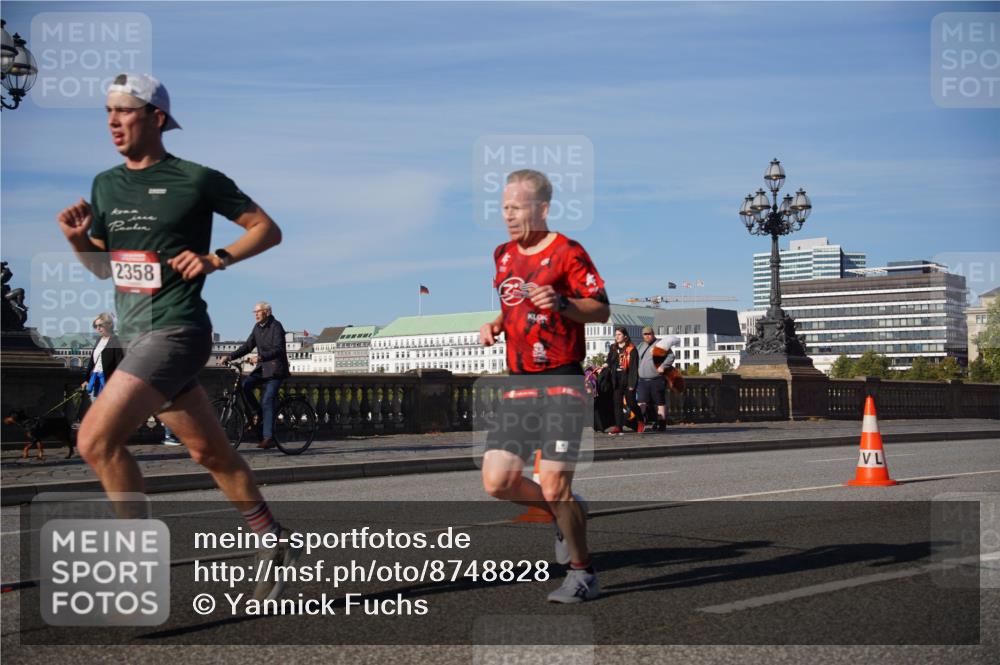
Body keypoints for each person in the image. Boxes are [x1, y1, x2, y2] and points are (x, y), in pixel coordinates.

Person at [56, 72, 296, 601]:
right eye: (107, 112)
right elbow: (103, 270)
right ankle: (272, 537)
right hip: (136, 336)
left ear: (156, 118)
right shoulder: (105, 185)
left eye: (125, 111)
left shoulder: (196, 179)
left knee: (95, 440)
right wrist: (78, 241)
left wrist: (216, 258)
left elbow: (266, 228)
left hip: (178, 330)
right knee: (209, 453)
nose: (114, 121)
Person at [480, 169, 610, 603]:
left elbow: (602, 310)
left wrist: (563, 302)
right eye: (504, 207)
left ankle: (582, 573)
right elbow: (511, 302)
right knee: (498, 482)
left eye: (517, 207)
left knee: (555, 485)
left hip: (561, 380)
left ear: (542, 209)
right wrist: (496, 323)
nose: (509, 215)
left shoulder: (569, 252)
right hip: (519, 383)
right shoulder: (501, 255)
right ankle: (565, 511)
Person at [219, 302, 289, 449]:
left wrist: (260, 357)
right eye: (255, 312)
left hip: (276, 370)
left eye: (259, 311)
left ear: (267, 312)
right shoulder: (257, 328)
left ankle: (268, 437)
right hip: (263, 369)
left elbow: (279, 349)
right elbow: (247, 346)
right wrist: (230, 357)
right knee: (245, 386)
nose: (256, 314)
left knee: (267, 400)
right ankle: (257, 413)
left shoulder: (276, 326)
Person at [606, 326, 642, 434]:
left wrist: (632, 384)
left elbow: (634, 369)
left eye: (619, 334)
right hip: (616, 380)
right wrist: (606, 364)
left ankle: (640, 420)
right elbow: (609, 360)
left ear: (625, 336)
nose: (616, 336)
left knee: (631, 403)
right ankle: (618, 426)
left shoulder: (632, 349)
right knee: (617, 404)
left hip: (628, 380)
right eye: (615, 334)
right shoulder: (613, 348)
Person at [82, 313, 125, 402]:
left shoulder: (116, 340)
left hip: (108, 381)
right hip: (95, 379)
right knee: (95, 405)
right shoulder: (99, 340)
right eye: (95, 326)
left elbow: (119, 363)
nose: (98, 328)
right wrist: (86, 379)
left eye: (100, 325)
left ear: (109, 325)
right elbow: (92, 361)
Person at [636, 326, 668, 432]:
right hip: (642, 380)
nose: (647, 336)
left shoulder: (660, 344)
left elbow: (671, 356)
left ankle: (662, 424)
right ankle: (641, 423)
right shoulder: (640, 346)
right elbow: (634, 358)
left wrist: (663, 365)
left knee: (660, 403)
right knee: (641, 402)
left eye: (649, 334)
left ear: (653, 334)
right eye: (645, 334)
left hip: (657, 379)